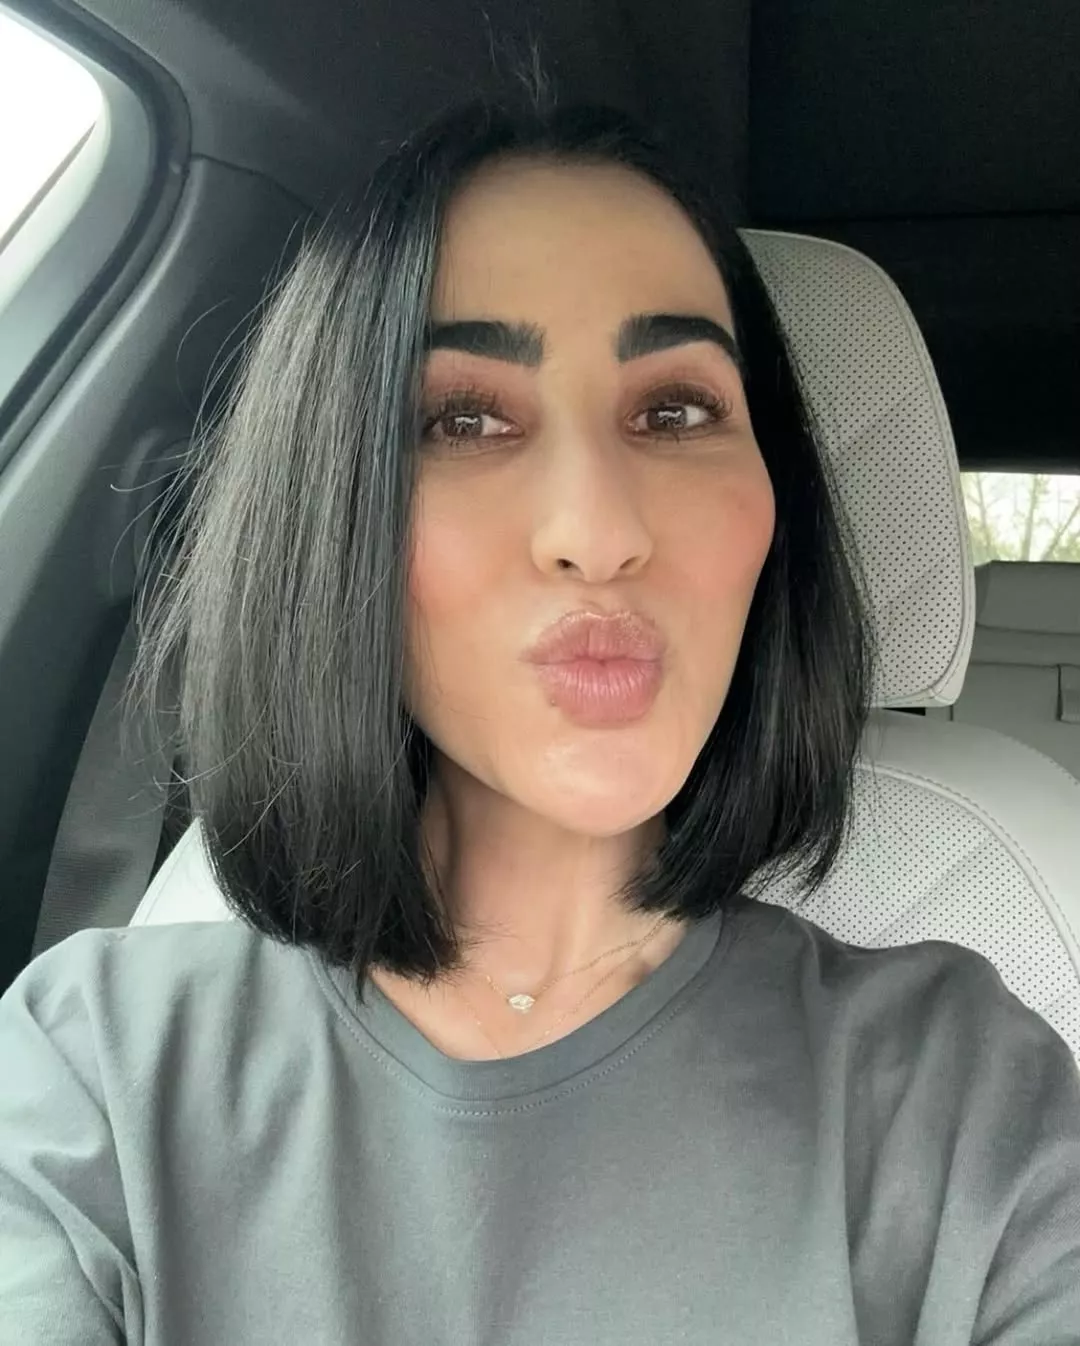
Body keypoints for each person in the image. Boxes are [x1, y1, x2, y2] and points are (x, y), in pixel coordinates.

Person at [2, 66, 1079, 1346]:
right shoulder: (91, 1072)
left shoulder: (967, 1098)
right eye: (464, 419)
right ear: (333, 511)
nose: (598, 529)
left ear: (771, 507)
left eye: (675, 409)